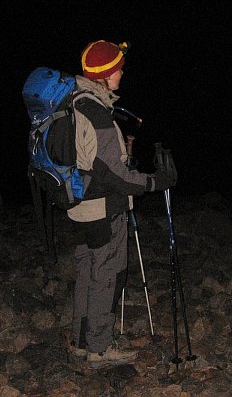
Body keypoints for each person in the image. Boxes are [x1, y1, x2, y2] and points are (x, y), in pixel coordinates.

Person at [68, 39, 176, 368]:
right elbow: (114, 175)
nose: (121, 74)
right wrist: (157, 181)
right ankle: (99, 350)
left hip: (79, 206)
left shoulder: (75, 102)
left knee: (88, 272)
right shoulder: (97, 112)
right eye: (117, 69)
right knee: (106, 277)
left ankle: (81, 342)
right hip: (103, 208)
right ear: (104, 74)